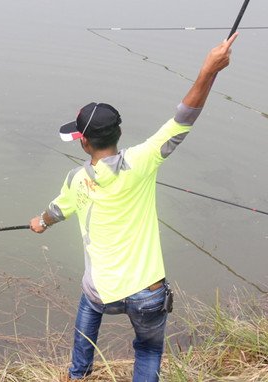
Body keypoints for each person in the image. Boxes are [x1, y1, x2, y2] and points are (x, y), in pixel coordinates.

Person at [29, 33, 238, 381]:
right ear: (119, 133)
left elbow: (54, 213)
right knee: (149, 349)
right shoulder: (143, 161)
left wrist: (38, 223)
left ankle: (77, 375)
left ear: (83, 143)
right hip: (148, 295)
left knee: (88, 305)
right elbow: (184, 117)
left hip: (101, 293)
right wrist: (208, 71)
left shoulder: (76, 182)